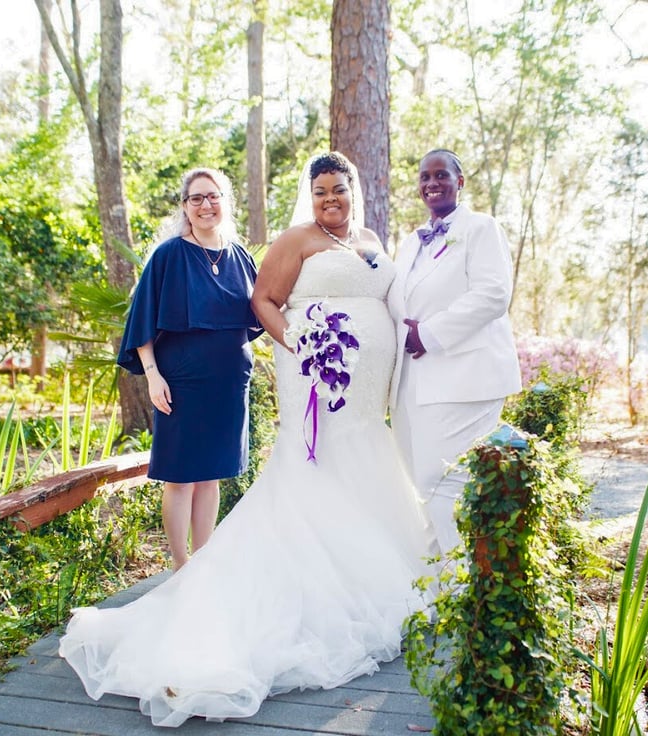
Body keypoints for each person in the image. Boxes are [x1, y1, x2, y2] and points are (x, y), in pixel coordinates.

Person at [59, 152, 432, 728]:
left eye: (339, 189)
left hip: (338, 393)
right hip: (291, 383)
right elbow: (264, 304)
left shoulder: (359, 238)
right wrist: (304, 344)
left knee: (217, 474)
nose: (330, 199)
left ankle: (204, 563)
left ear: (356, 190)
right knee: (193, 475)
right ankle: (190, 569)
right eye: (321, 191)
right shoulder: (284, 241)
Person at [116, 168, 262, 571]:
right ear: (185, 206)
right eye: (196, 198)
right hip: (181, 382)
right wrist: (152, 375)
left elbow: (264, 309)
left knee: (211, 476)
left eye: (213, 196)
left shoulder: (239, 256)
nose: (205, 205)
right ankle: (181, 567)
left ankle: (204, 562)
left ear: (225, 202)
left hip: (229, 383)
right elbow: (141, 320)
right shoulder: (169, 255)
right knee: (180, 477)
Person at [388, 149, 522, 555]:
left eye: (441, 175)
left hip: (465, 378)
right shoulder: (411, 243)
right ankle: (433, 589)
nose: (432, 183)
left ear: (460, 181)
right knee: (420, 487)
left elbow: (493, 294)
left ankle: (459, 589)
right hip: (413, 382)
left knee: (444, 482)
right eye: (424, 176)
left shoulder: (481, 228)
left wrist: (428, 334)